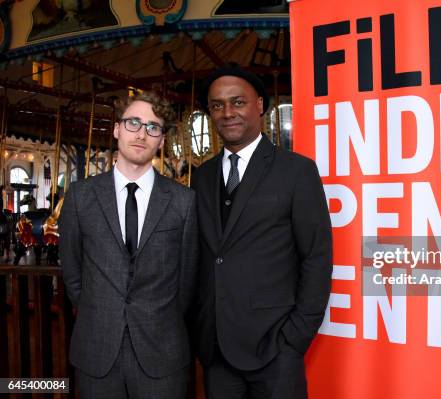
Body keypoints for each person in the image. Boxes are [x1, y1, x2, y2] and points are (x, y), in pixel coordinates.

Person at [191, 65, 333, 399]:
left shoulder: (297, 171)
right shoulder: (202, 177)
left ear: (259, 105)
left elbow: (317, 256)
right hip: (216, 350)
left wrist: (295, 338)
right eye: (217, 105)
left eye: (237, 102)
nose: (228, 113)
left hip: (276, 349)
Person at [58, 92, 198, 399]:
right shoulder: (81, 196)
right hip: (96, 350)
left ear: (161, 140)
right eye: (134, 122)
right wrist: (98, 309)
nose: (141, 133)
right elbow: (71, 269)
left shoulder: (183, 201)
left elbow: (187, 280)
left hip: (162, 352)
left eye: (153, 127)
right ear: (117, 129)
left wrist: (159, 317)